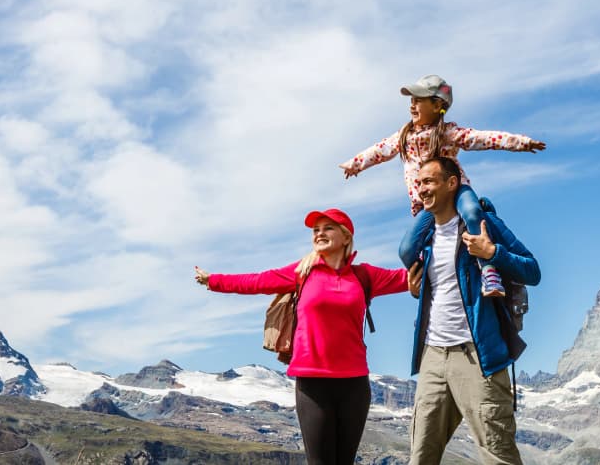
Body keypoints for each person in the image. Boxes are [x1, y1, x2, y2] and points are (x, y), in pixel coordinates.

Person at [194, 208, 409, 465]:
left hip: (354, 384)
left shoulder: (364, 276)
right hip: (312, 383)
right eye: (315, 230)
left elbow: (410, 277)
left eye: (327, 228)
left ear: (346, 236)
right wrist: (214, 280)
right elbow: (257, 281)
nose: (319, 234)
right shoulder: (302, 272)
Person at [339, 74, 545, 298]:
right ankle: (425, 275)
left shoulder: (447, 132)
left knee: (473, 211)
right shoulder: (404, 136)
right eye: (412, 100)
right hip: (427, 203)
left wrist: (521, 142)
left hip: (457, 192)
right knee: (406, 249)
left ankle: (488, 269)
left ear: (438, 105)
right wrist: (355, 164)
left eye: (418, 100)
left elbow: (483, 138)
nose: (412, 105)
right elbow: (379, 150)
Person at [402, 157, 541, 465]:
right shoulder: (425, 239)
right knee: (420, 457)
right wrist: (418, 290)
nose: (422, 188)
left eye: (429, 181)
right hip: (433, 356)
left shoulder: (482, 225)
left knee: (497, 455)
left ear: (452, 183)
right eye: (419, 182)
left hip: (478, 357)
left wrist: (492, 252)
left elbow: (533, 270)